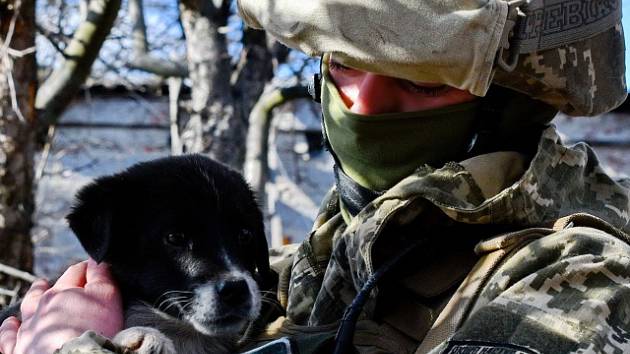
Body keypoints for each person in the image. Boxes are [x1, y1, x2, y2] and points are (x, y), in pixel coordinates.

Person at [2, 0, 629, 353]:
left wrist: (63, 349)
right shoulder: (332, 261)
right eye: (343, 65)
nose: (360, 104)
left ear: (510, 103)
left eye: (418, 80)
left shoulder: (581, 278)